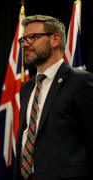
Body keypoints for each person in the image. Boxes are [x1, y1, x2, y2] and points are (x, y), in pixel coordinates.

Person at [15, 15, 93, 180]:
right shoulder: (26, 88)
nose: (25, 44)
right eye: (23, 39)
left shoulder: (81, 82)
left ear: (55, 39)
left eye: (33, 37)